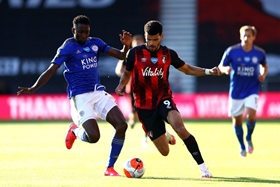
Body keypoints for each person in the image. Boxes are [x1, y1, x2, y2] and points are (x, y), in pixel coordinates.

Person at [17, 15, 132, 176]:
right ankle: (74, 131)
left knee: (122, 125)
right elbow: (51, 70)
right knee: (94, 137)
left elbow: (121, 55)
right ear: (73, 31)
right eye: (80, 32)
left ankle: (109, 168)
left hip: (98, 92)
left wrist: (126, 47)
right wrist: (34, 87)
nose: (84, 35)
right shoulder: (67, 47)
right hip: (80, 96)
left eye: (86, 32)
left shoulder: (96, 43)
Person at [115, 20, 221, 178]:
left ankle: (203, 169)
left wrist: (208, 71)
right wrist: (120, 85)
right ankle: (165, 134)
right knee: (165, 152)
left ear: (161, 37)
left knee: (181, 129)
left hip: (163, 99)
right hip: (144, 108)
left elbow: (187, 69)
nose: (151, 43)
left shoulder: (168, 54)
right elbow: (127, 73)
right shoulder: (134, 53)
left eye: (155, 39)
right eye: (148, 39)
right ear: (145, 37)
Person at [218, 25, 268, 157]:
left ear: (253, 37)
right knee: (237, 121)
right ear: (240, 36)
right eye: (244, 35)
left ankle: (249, 138)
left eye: (249, 36)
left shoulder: (259, 52)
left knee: (251, 116)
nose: (246, 38)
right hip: (236, 90)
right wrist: (225, 70)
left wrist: (263, 74)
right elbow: (221, 65)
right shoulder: (231, 51)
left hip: (252, 88)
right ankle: (241, 146)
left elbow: (264, 65)